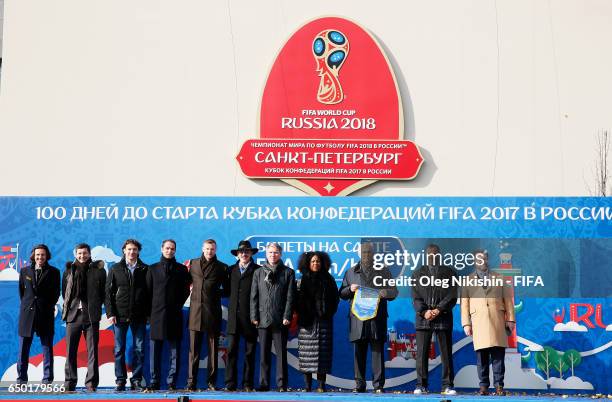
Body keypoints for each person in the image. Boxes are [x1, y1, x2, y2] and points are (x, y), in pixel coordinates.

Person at [339, 241, 398, 394]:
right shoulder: (350, 272)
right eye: (364, 252)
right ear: (359, 254)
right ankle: (359, 385)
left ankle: (378, 386)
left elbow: (394, 292)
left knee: (377, 353)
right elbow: (342, 293)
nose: (366, 255)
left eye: (369, 252)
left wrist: (387, 292)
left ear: (373, 254)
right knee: (358, 353)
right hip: (358, 319)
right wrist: (349, 289)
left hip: (376, 319)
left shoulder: (383, 271)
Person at [461, 249, 515, 396]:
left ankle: (499, 386)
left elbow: (508, 300)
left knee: (498, 357)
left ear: (487, 260)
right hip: (478, 322)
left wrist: (510, 319)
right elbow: (464, 304)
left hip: (497, 320)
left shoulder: (499, 277)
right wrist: (466, 323)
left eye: (484, 259)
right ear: (474, 261)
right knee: (482, 357)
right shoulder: (467, 280)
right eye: (478, 259)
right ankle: (483, 386)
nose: (481, 261)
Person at [411, 244, 458, 395]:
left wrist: (439, 309)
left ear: (440, 255)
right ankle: (421, 385)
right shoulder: (418, 274)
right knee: (422, 354)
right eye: (430, 254)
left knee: (446, 354)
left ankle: (447, 386)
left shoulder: (450, 273)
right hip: (423, 318)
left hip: (443, 317)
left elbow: (452, 295)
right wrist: (424, 311)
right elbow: (415, 297)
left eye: (436, 254)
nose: (433, 256)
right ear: (426, 255)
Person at [250, 242, 296, 392]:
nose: (273, 255)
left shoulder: (288, 272)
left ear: (280, 254)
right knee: (263, 354)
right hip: (262, 319)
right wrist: (254, 316)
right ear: (266, 254)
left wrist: (287, 316)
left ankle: (282, 385)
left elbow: (291, 297)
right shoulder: (258, 272)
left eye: (275, 252)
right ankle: (263, 383)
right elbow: (254, 297)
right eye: (270, 252)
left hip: (280, 319)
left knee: (281, 355)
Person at [147, 239, 191, 391]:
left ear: (175, 251)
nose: (169, 251)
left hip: (175, 315)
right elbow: (148, 292)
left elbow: (186, 291)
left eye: (172, 248)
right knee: (155, 353)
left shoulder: (181, 270)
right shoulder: (151, 269)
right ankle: (154, 381)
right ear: (162, 249)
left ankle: (172, 382)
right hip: (156, 316)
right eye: (167, 248)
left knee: (175, 353)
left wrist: (175, 305)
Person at [105, 239, 149, 391]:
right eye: (129, 249)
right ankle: (120, 380)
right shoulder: (115, 268)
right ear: (124, 250)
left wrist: (148, 314)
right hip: (119, 314)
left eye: (135, 249)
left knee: (139, 349)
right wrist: (110, 313)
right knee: (119, 349)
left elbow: (149, 293)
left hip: (139, 315)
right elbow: (108, 293)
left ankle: (136, 379)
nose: (132, 252)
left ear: (138, 251)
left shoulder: (145, 269)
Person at [62, 243, 106, 392]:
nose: (82, 256)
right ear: (75, 254)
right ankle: (69, 383)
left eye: (85, 253)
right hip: (73, 316)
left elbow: (102, 293)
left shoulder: (98, 270)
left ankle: (91, 383)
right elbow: (65, 292)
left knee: (92, 352)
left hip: (91, 316)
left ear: (89, 254)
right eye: (79, 253)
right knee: (70, 352)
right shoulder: (69, 270)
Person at [186, 239, 228, 391]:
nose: (209, 251)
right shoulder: (193, 264)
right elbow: (185, 285)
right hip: (195, 313)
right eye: (207, 248)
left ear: (215, 250)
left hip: (213, 313)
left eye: (212, 249)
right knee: (193, 351)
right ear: (202, 248)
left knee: (213, 351)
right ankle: (191, 383)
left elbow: (227, 290)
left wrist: (214, 294)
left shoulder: (222, 267)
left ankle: (211, 382)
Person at [17, 244, 60, 385]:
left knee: (47, 348)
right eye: (37, 255)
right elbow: (22, 293)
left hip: (45, 314)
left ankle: (47, 379)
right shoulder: (24, 271)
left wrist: (47, 307)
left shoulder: (54, 272)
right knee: (23, 349)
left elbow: (55, 293)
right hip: (27, 315)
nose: (40, 257)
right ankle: (21, 379)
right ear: (33, 256)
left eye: (42, 255)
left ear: (47, 256)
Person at [296, 251, 339, 392]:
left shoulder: (329, 279)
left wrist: (328, 313)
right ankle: (307, 386)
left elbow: (335, 299)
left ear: (323, 263)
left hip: (324, 322)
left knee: (323, 355)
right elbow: (296, 301)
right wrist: (303, 314)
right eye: (313, 261)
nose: (316, 263)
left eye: (318, 261)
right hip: (307, 323)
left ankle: (321, 385)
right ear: (308, 263)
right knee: (307, 355)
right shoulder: (302, 280)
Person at [223, 240, 260, 392]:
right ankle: (230, 384)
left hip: (251, 318)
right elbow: (225, 291)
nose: (244, 254)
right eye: (241, 252)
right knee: (231, 351)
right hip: (233, 318)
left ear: (251, 253)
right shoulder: (230, 270)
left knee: (249, 353)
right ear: (237, 255)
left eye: (247, 251)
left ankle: (247, 384)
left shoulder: (258, 270)